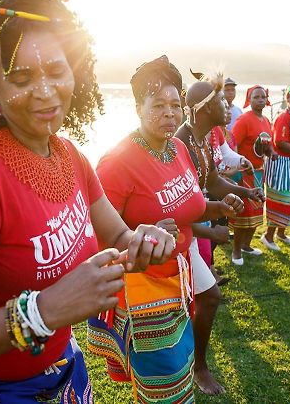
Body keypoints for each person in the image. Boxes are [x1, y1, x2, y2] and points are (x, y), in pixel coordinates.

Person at [0, 0, 174, 403]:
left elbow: (117, 238)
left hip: (63, 374)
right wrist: (42, 313)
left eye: (57, 71)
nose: (45, 92)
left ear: (76, 73)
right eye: (21, 77)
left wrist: (143, 242)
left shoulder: (68, 154)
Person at [87, 55, 243, 403]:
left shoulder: (179, 148)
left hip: (179, 275)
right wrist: (145, 233)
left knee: (180, 363)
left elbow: (192, 204)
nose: (169, 113)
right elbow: (96, 234)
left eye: (175, 104)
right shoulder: (117, 163)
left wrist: (221, 206)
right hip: (144, 284)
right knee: (164, 379)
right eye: (158, 105)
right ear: (138, 108)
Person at [175, 73, 264, 395]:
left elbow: (212, 183)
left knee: (203, 298)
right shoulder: (180, 142)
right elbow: (176, 205)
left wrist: (244, 191)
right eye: (220, 102)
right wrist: (209, 232)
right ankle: (197, 367)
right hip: (174, 236)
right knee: (206, 297)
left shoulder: (204, 138)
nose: (227, 106)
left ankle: (194, 365)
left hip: (191, 232)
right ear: (200, 109)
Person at [230, 85, 277, 265]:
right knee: (244, 211)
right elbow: (233, 144)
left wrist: (271, 152)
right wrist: (237, 167)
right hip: (244, 173)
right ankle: (236, 251)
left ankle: (246, 245)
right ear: (249, 99)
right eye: (256, 97)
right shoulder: (243, 120)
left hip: (259, 172)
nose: (260, 100)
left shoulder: (265, 120)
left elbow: (267, 143)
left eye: (263, 97)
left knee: (257, 209)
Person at [261, 84, 290, 250]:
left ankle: (281, 233)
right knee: (280, 200)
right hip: (281, 165)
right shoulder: (284, 118)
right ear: (287, 99)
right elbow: (280, 142)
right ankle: (268, 236)